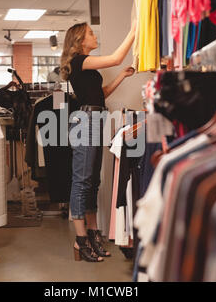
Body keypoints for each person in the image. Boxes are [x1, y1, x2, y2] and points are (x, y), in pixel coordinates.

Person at [60, 22, 136, 262]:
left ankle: (92, 235)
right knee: (82, 181)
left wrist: (122, 77)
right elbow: (115, 58)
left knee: (93, 181)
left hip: (95, 117)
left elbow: (99, 95)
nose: (95, 36)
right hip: (86, 121)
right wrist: (134, 30)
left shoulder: (87, 67)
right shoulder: (79, 62)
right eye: (91, 33)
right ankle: (79, 240)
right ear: (80, 40)